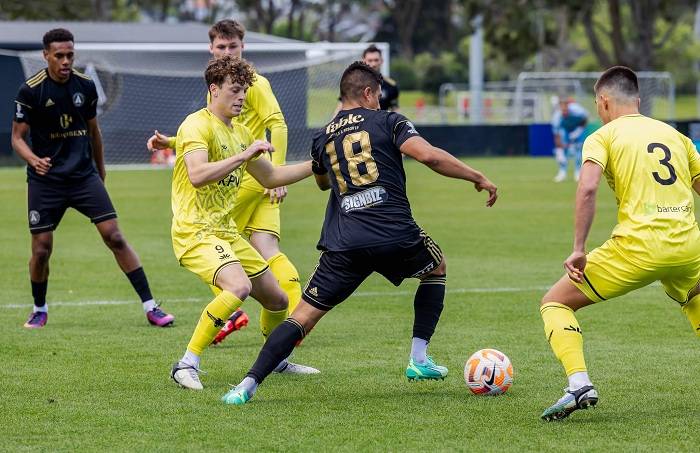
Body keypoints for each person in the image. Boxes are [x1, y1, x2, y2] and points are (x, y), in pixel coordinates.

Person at [221, 61, 498, 405]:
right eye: (378, 95)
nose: (379, 102)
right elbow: (428, 156)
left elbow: (323, 183)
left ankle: (245, 386)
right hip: (394, 233)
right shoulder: (390, 121)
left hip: (344, 242)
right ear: (368, 93)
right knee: (436, 267)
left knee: (303, 317)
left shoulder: (323, 136)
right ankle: (419, 359)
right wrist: (476, 176)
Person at [539, 66, 700, 421]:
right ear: (638, 100)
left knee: (555, 302)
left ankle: (579, 383)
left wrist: (579, 247)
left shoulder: (602, 136)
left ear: (604, 100)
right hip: (689, 246)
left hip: (638, 248)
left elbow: (588, 187)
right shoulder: (675, 135)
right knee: (696, 301)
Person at [170, 55, 319, 390]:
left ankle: (276, 359)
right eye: (235, 90)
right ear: (213, 89)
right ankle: (186, 363)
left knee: (278, 300)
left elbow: (271, 176)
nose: (242, 97)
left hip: (226, 232)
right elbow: (196, 175)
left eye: (244, 91)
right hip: (194, 231)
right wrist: (242, 156)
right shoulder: (196, 125)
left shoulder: (241, 132)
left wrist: (317, 164)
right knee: (239, 287)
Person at [147, 19, 300, 346]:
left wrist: (311, 166)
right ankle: (193, 356)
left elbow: (275, 149)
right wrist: (175, 143)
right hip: (217, 204)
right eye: (222, 47)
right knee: (250, 269)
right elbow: (204, 155)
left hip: (237, 202)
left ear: (243, 47)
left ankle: (271, 348)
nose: (242, 96)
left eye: (233, 47)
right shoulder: (205, 113)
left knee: (267, 288)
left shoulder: (248, 106)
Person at [11, 28, 174, 329]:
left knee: (114, 235)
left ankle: (151, 307)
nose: (65, 61)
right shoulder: (30, 91)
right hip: (45, 181)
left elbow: (93, 132)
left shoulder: (85, 86)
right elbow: (17, 138)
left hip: (83, 176)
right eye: (59, 55)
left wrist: (101, 170)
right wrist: (34, 160)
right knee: (41, 248)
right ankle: (39, 308)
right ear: (46, 55)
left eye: (70, 55)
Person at [551, 97, 588, 182]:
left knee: (579, 149)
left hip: (578, 127)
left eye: (565, 109)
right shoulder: (556, 117)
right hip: (566, 130)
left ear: (568, 106)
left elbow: (585, 119)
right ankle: (562, 172)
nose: (564, 111)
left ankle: (578, 172)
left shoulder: (577, 110)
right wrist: (560, 149)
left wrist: (578, 131)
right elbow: (556, 134)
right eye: (562, 110)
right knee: (563, 151)